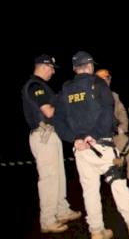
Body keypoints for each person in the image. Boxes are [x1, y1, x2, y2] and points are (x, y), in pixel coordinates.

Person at [54, 51, 129, 239]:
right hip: (102, 147)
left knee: (89, 191)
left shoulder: (66, 89)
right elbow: (107, 114)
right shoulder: (98, 84)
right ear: (89, 66)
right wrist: (94, 136)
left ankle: (97, 231)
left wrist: (75, 139)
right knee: (118, 185)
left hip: (81, 150)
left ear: (75, 68)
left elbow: (58, 120)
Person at [21, 54, 81, 234]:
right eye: (52, 68)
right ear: (44, 66)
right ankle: (47, 219)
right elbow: (48, 111)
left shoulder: (41, 86)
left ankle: (61, 210)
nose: (53, 72)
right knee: (48, 178)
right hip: (43, 135)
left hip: (49, 134)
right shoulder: (35, 85)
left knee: (58, 175)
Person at [95, 68, 129, 193]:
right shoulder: (92, 98)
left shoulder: (114, 96)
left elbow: (122, 112)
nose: (107, 81)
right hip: (100, 137)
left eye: (108, 79)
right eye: (104, 79)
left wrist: (122, 127)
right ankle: (116, 186)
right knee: (113, 161)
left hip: (116, 133)